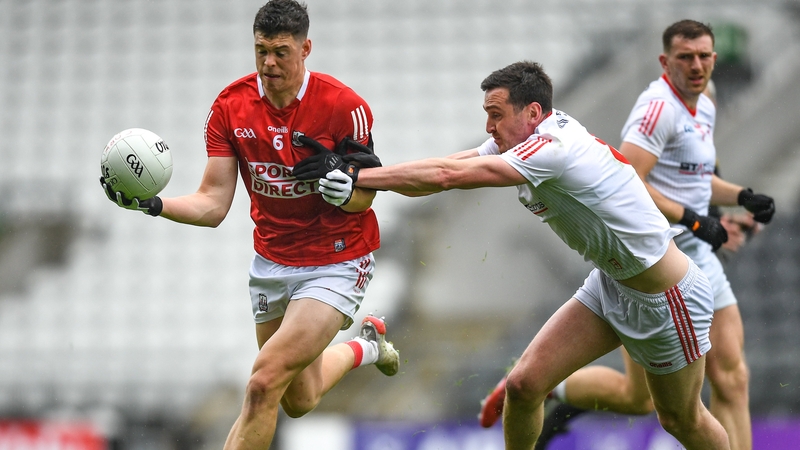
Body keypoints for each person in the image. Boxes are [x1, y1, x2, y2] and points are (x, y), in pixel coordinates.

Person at [293, 60, 731, 449]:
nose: (489, 127)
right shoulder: (522, 140)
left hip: (667, 299)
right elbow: (450, 165)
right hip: (611, 284)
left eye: (495, 115)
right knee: (523, 386)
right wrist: (368, 175)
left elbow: (448, 176)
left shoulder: (552, 148)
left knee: (680, 419)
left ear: (533, 113)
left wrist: (360, 175)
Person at [99, 1, 399, 449]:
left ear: (306, 48)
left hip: (336, 259)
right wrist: (154, 204)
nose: (268, 62)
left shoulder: (344, 106)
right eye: (261, 50)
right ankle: (366, 348)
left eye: (280, 51)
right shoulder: (230, 107)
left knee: (262, 383)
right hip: (272, 262)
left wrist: (341, 189)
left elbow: (366, 195)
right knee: (299, 397)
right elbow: (213, 203)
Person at [478, 21, 775, 450]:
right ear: (665, 62)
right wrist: (696, 221)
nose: (698, 66)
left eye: (706, 56)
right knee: (726, 379)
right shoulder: (657, 110)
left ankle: (543, 387)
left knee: (641, 399)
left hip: (673, 256)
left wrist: (737, 200)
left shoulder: (705, 104)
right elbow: (633, 177)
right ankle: (536, 384)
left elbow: (694, 176)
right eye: (686, 57)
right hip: (664, 253)